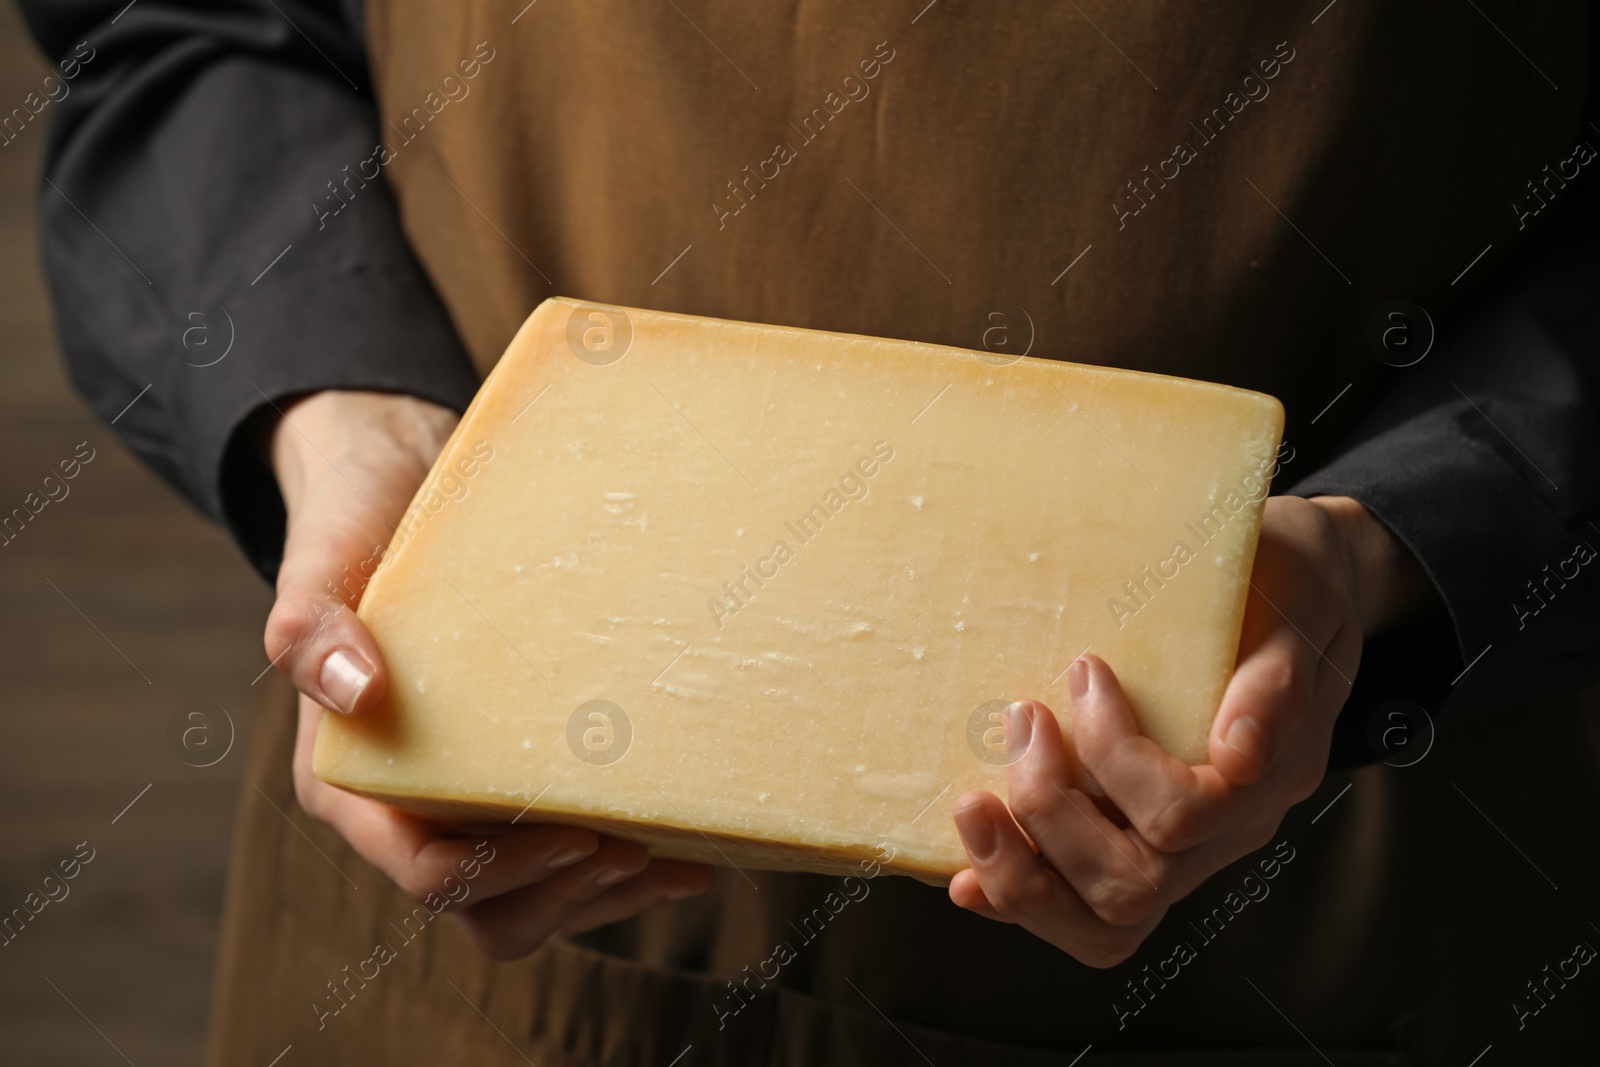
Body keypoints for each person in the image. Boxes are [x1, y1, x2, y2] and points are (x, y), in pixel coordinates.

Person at [21, 1, 1600, 1063]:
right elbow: (182, 20)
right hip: (473, 952)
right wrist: (340, 420)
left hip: (1344, 916)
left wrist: (1393, 541)